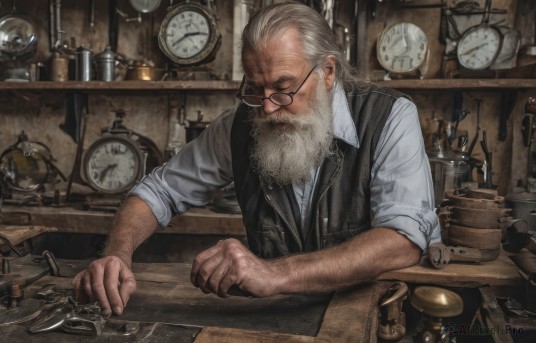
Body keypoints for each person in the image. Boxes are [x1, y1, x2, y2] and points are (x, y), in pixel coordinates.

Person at [73, 1, 440, 316]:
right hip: (276, 321)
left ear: (328, 72)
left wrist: (274, 273)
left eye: (283, 88)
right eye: (253, 88)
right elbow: (156, 192)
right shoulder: (240, 125)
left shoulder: (390, 117)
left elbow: (402, 239)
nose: (266, 108)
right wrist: (118, 254)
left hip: (370, 313)